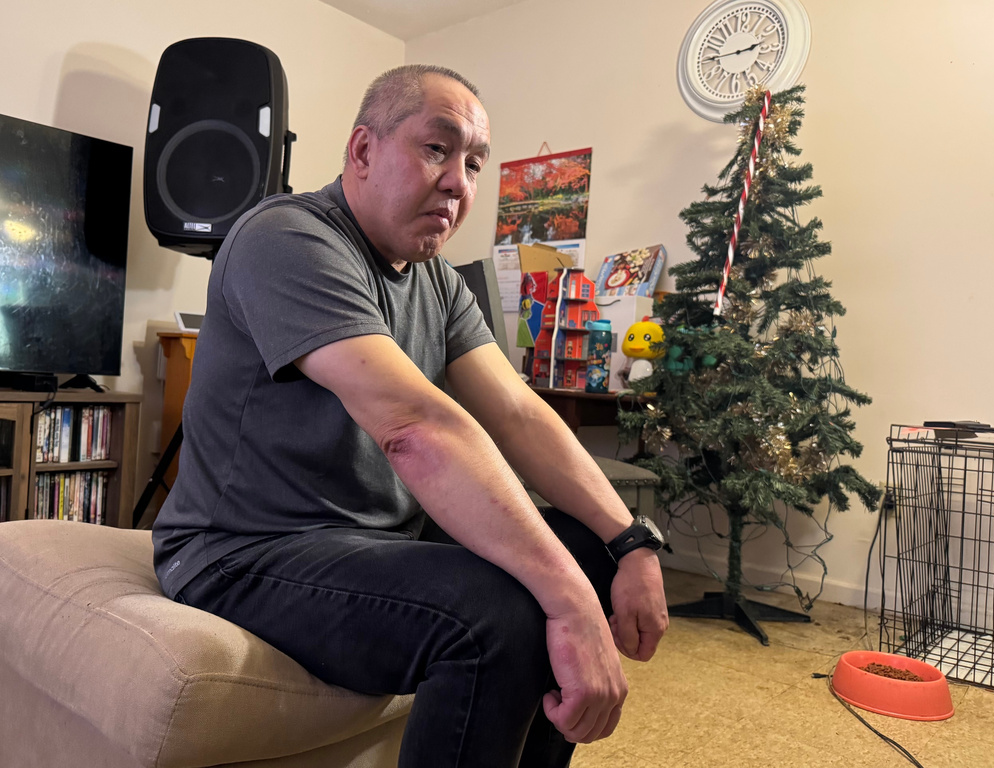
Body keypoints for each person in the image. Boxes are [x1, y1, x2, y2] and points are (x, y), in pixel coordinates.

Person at [152, 64, 669, 768]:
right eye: (437, 148)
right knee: (499, 621)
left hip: (373, 543)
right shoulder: (286, 238)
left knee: (586, 552)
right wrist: (572, 604)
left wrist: (628, 543)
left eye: (475, 162)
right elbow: (416, 428)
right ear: (363, 151)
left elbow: (518, 412)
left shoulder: (437, 281)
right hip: (242, 553)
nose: (459, 182)